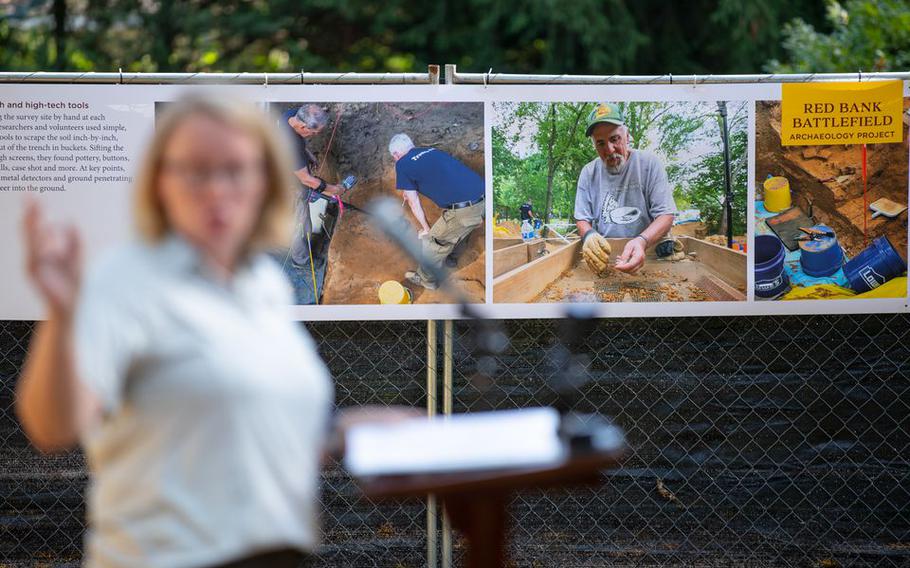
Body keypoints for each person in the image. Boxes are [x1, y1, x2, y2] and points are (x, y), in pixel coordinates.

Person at [16, 95, 410, 568]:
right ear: (160, 182)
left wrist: (343, 433)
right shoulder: (127, 278)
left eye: (238, 168)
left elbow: (241, 424)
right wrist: (61, 317)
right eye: (197, 170)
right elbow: (52, 425)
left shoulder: (259, 283)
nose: (220, 188)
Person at [574, 102, 677, 275]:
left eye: (615, 139)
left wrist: (642, 241)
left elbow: (666, 215)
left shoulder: (649, 164)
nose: (609, 149)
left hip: (649, 254)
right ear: (594, 145)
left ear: (627, 136)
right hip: (607, 259)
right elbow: (582, 218)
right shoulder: (588, 172)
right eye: (600, 143)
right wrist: (589, 235)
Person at [389, 133, 484, 290]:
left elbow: (413, 202)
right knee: (463, 229)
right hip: (482, 197)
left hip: (465, 210)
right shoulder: (431, 151)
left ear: (396, 154)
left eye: (394, 157)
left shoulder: (401, 164)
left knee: (432, 244)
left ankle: (427, 280)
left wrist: (426, 229)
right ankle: (452, 258)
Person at [280, 104, 342, 269]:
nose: (314, 136)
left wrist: (306, 154)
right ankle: (300, 260)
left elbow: (298, 144)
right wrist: (334, 189)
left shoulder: (292, 116)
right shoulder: (288, 143)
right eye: (313, 133)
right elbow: (307, 180)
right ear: (302, 126)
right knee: (297, 223)